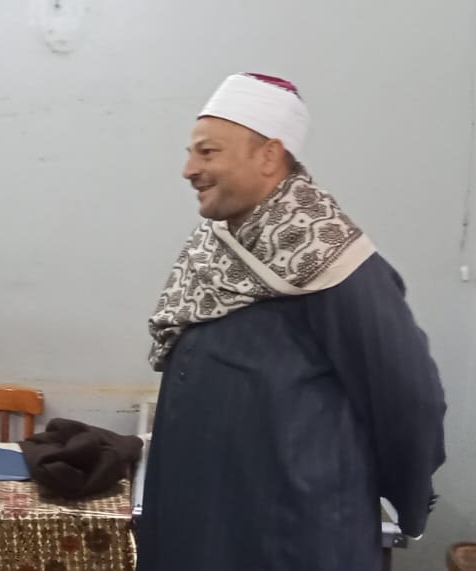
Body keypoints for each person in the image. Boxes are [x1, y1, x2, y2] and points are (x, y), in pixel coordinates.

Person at [136, 73, 447, 571]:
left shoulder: (332, 261)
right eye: (191, 153)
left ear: (269, 155)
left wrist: (404, 499)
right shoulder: (216, 248)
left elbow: (409, 398)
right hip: (202, 521)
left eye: (208, 152)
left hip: (290, 536)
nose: (189, 169)